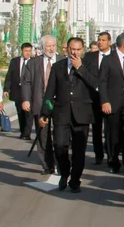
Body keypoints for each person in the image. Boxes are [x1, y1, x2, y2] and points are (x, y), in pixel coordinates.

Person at [39, 37, 96, 192]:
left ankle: (75, 179)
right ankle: (64, 172)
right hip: (61, 113)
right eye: (72, 49)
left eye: (78, 50)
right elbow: (49, 92)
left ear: (82, 50)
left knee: (79, 150)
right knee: (59, 146)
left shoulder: (89, 65)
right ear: (67, 49)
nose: (75, 52)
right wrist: (45, 113)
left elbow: (95, 84)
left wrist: (80, 68)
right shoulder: (58, 66)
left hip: (81, 114)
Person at [99, 31, 124, 174]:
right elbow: (102, 82)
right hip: (113, 101)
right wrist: (104, 101)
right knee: (113, 133)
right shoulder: (108, 60)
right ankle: (113, 161)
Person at [22, 35, 63, 174]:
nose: (51, 49)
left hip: (59, 104)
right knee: (43, 136)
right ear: (42, 47)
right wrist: (26, 100)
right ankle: (48, 165)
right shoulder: (33, 63)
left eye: (53, 45)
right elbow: (26, 83)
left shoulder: (63, 61)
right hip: (40, 103)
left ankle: (61, 163)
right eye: (48, 46)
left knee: (60, 135)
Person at [83, 31, 113, 165]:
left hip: (110, 98)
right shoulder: (89, 57)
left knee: (110, 129)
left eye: (103, 40)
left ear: (109, 42)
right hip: (93, 98)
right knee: (96, 128)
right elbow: (84, 74)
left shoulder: (115, 56)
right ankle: (98, 154)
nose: (100, 42)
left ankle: (111, 154)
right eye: (99, 40)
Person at [6, 42, 34, 140]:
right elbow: (9, 76)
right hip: (17, 91)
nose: (28, 53)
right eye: (26, 51)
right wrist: (6, 89)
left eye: (29, 51)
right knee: (20, 113)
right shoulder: (14, 61)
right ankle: (23, 131)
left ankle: (27, 133)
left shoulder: (34, 62)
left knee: (29, 114)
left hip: (30, 92)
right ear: (22, 51)